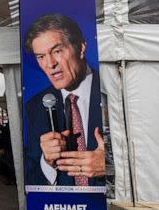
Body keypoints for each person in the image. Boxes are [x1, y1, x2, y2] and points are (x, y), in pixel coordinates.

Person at [23, 13, 106, 186]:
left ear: (81, 48)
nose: (50, 64)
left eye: (57, 51)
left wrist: (110, 165)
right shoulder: (35, 107)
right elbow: (30, 176)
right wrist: (47, 162)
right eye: (41, 56)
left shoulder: (112, 93)